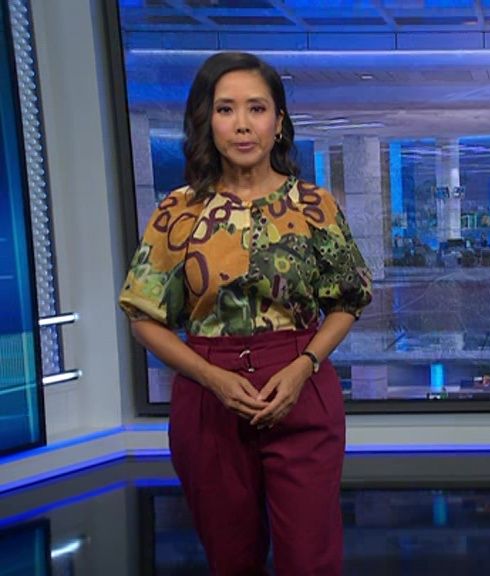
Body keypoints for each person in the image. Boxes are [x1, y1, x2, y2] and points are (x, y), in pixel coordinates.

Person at [119, 52, 372, 576]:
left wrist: (304, 365)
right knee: (231, 560)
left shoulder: (314, 205)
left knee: (311, 560)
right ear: (207, 122)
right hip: (207, 396)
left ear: (278, 122)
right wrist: (212, 377)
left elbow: (348, 299)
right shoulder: (178, 211)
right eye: (225, 109)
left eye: (256, 108)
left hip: (301, 384)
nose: (241, 124)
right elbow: (143, 317)